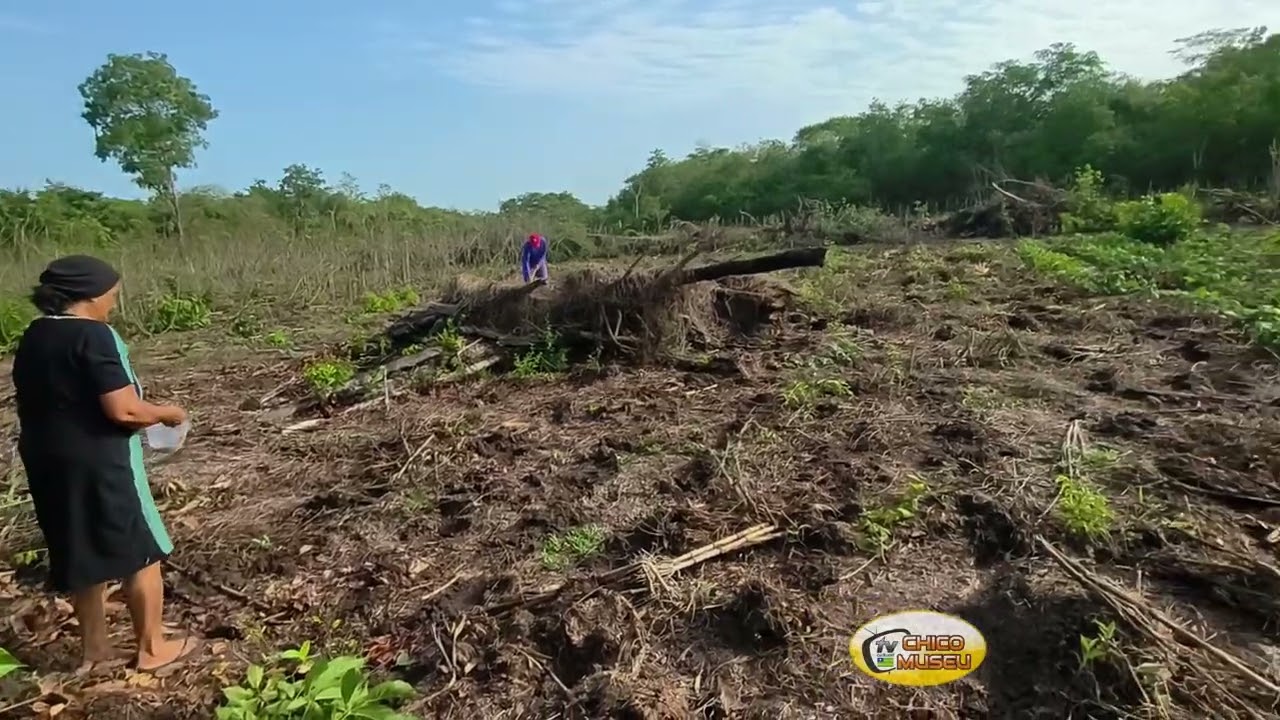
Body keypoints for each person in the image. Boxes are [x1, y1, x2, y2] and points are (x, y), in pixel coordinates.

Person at [11, 255, 201, 674]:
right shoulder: (96, 336)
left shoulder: (35, 335)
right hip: (100, 459)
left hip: (45, 458)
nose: (113, 303)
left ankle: (94, 652)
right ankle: (152, 649)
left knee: (79, 549)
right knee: (142, 551)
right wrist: (168, 412)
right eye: (111, 295)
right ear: (89, 296)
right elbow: (124, 411)